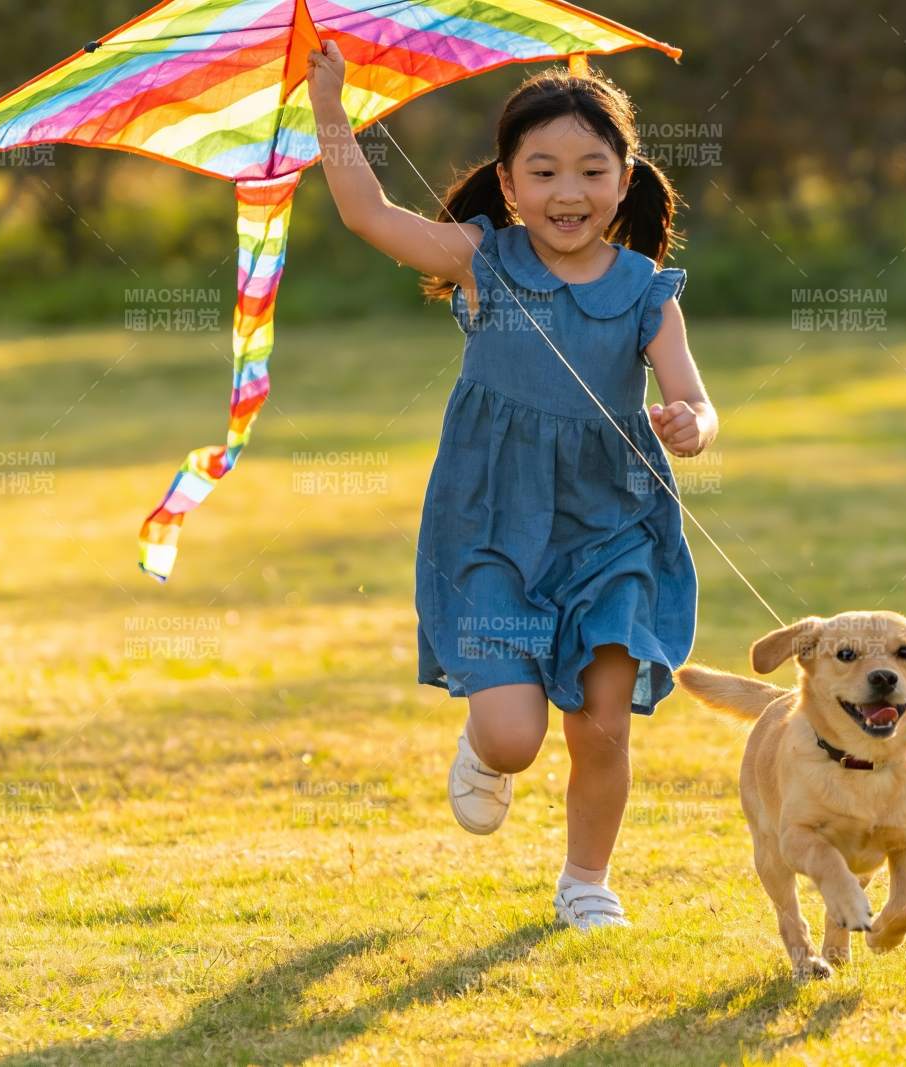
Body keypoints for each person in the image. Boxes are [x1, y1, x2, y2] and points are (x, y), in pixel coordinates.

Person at [307, 40, 716, 930]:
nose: (567, 193)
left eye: (590, 170)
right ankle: (485, 749)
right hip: (493, 526)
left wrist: (690, 423)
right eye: (543, 171)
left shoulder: (649, 291)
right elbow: (369, 214)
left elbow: (692, 396)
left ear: (624, 177)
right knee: (514, 737)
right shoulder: (483, 261)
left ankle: (586, 880)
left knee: (604, 713)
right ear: (507, 183)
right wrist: (331, 108)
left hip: (613, 531)